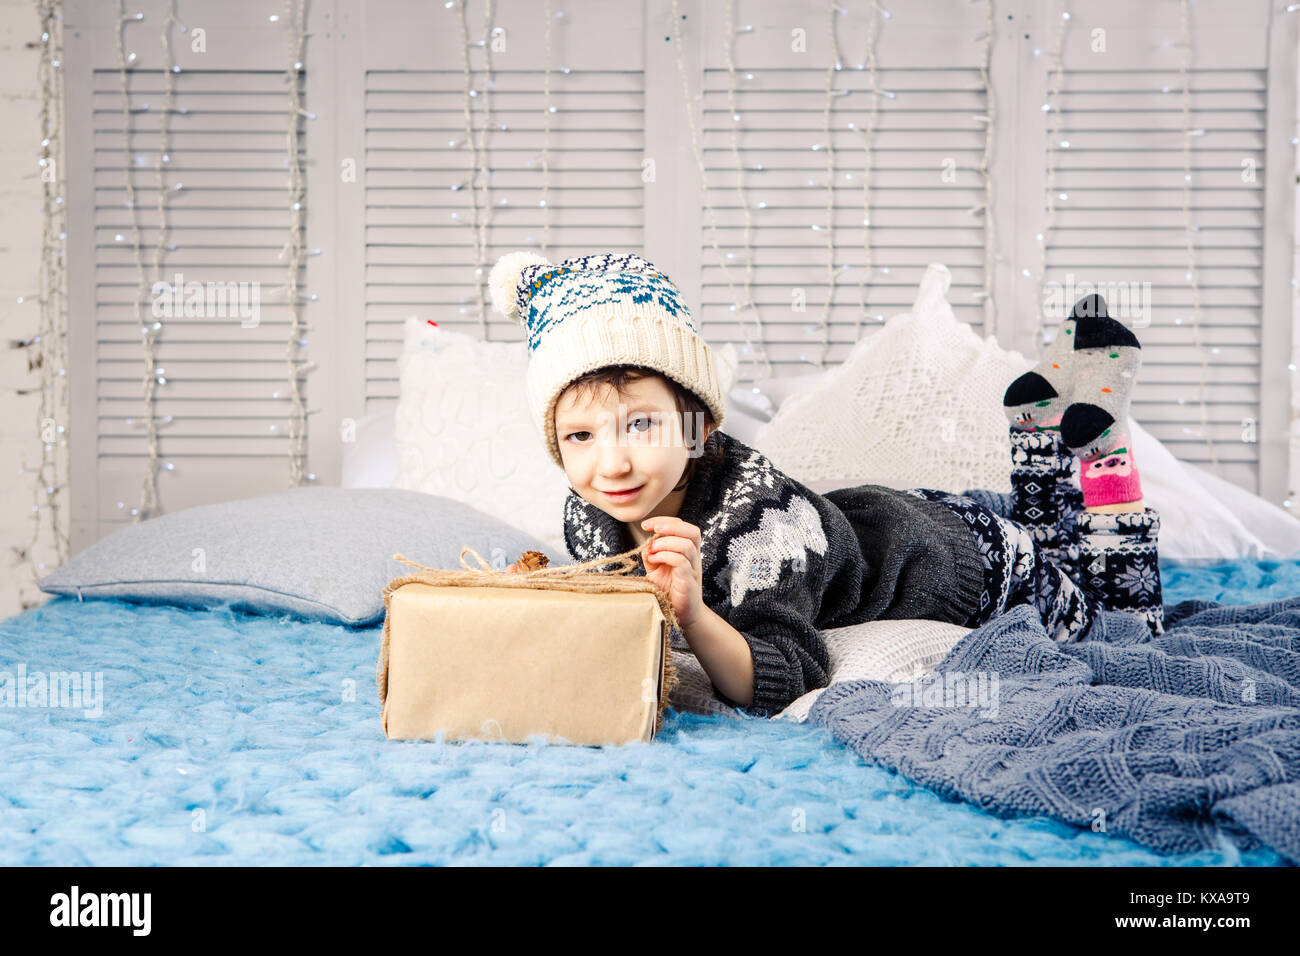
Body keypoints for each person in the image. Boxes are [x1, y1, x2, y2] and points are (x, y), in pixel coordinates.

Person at [490, 251, 1163, 717]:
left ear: (696, 425)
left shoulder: (758, 526)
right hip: (890, 523)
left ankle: (1101, 448)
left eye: (639, 425)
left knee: (1121, 621)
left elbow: (786, 675)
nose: (610, 465)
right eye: (580, 437)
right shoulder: (588, 512)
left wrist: (694, 614)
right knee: (1040, 528)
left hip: (966, 569)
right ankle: (1040, 431)